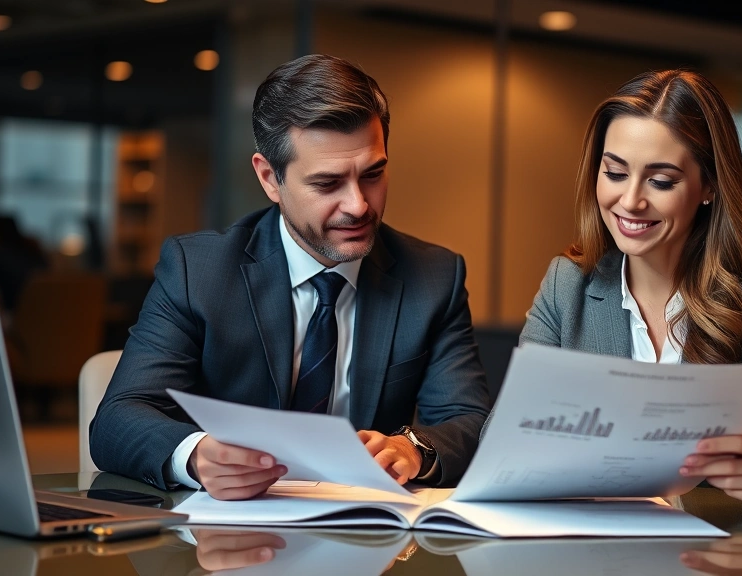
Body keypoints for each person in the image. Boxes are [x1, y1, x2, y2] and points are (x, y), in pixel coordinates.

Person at [90, 54, 490, 499]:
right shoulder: (197, 270)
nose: (358, 205)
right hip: (224, 545)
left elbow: (471, 421)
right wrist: (197, 455)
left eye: (373, 174)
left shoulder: (433, 276)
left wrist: (413, 448)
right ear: (270, 178)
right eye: (327, 183)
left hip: (368, 540)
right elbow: (118, 417)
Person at [518, 69, 742, 505]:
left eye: (661, 181)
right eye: (615, 173)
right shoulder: (567, 283)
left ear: (709, 185)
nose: (630, 201)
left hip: (716, 555)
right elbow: (505, 434)